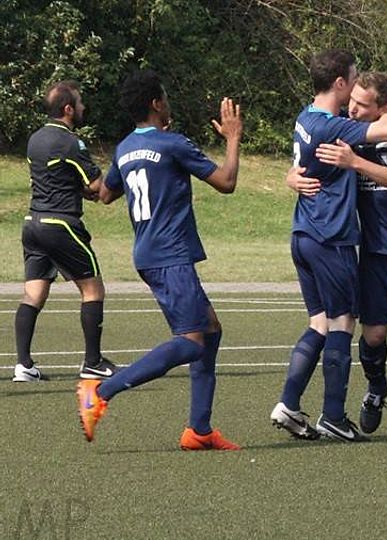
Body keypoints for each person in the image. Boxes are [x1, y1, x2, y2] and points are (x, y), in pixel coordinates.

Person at [76, 69, 242, 450]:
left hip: (149, 253)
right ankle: (99, 391)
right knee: (191, 342)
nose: (168, 102)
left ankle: (199, 431)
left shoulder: (124, 148)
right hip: (170, 255)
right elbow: (227, 182)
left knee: (210, 332)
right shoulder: (173, 144)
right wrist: (233, 138)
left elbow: (105, 194)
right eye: (164, 97)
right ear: (156, 104)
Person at [293, 71, 387, 442]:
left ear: (384, 108)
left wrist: (355, 163)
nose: (353, 109)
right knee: (373, 336)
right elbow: (306, 157)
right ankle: (377, 388)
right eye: (353, 101)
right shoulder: (350, 132)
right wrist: (291, 177)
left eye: (362, 104)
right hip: (376, 251)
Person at [270, 50, 387, 443]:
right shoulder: (333, 127)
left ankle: (288, 404)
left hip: (304, 234)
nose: (358, 84)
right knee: (343, 322)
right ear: (340, 83)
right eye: (354, 78)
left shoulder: (306, 117)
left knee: (319, 323)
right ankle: (333, 416)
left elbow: (301, 164)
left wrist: (290, 177)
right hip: (331, 236)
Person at [14, 80, 116, 382]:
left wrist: (80, 190)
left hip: (33, 223)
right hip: (60, 226)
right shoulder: (70, 142)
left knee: (33, 294)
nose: (84, 107)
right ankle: (93, 362)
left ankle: (24, 365)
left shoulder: (35, 139)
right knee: (93, 289)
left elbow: (57, 179)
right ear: (68, 109)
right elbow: (96, 185)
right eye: (80, 103)